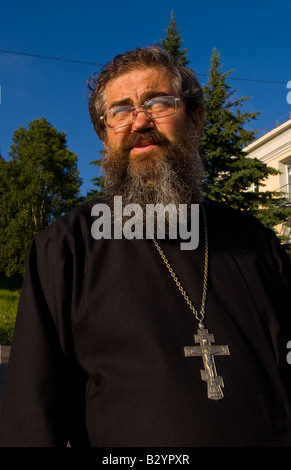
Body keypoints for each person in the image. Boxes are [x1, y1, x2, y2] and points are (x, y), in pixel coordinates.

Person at [0, 45, 290, 447]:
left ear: (195, 120)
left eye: (158, 103)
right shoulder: (66, 248)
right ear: (105, 136)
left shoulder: (253, 240)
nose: (139, 121)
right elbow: (30, 417)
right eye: (119, 111)